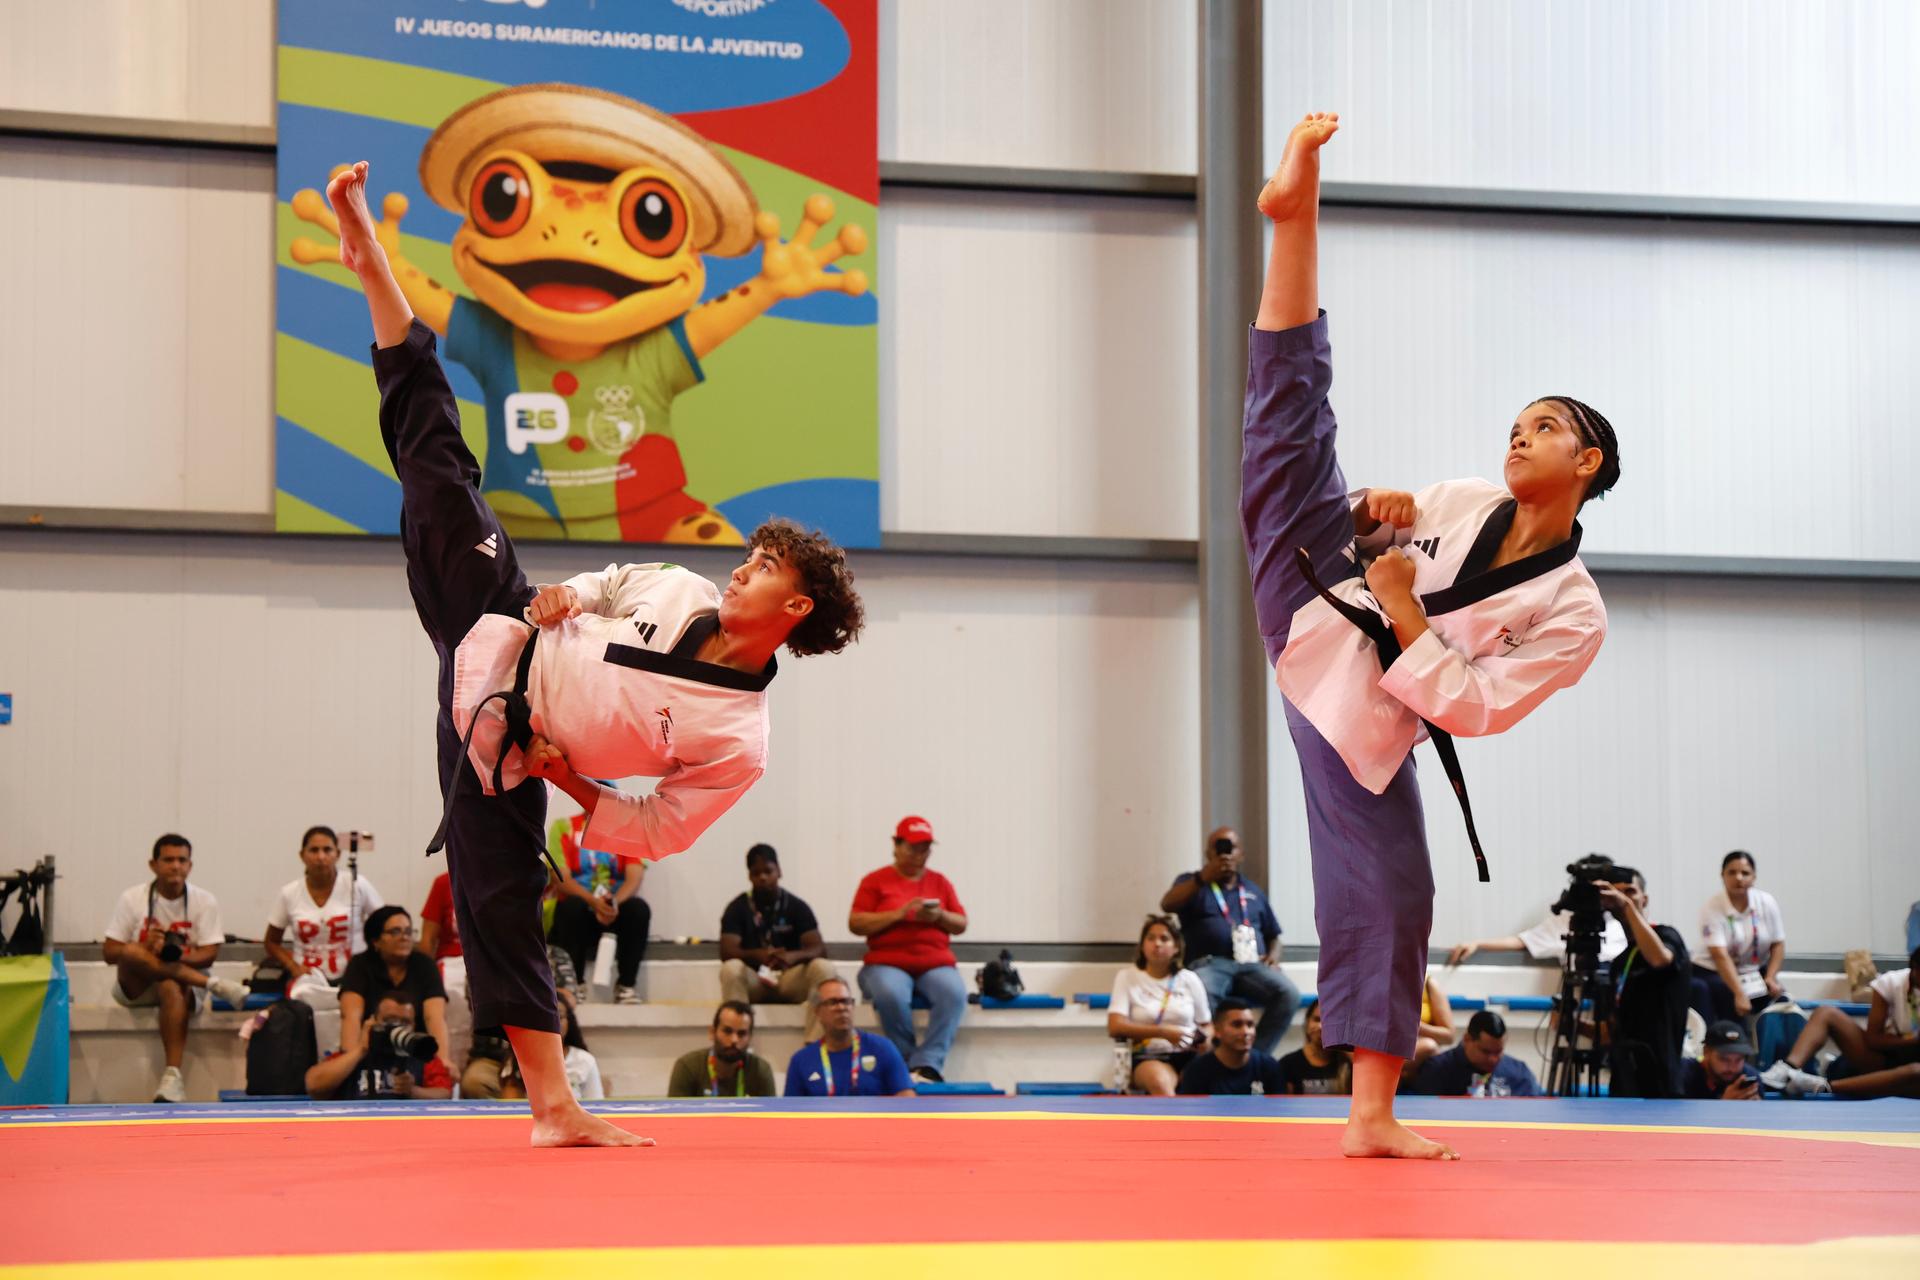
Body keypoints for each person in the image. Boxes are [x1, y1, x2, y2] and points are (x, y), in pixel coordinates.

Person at [320, 161, 863, 1147]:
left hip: (511, 745)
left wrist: (567, 775)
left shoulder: (737, 737)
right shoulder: (687, 589)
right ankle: (370, 264)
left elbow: (653, 830)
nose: (741, 573)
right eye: (749, 557)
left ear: (797, 608)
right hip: (503, 620)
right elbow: (617, 582)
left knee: (501, 902)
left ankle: (553, 1107)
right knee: (440, 458)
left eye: (764, 570)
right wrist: (573, 593)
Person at [1242, 114, 1617, 1157]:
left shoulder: (1574, 612)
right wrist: (1373, 512)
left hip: (1363, 699)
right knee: (1291, 413)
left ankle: (1369, 1114)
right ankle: (1293, 212)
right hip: (1313, 587)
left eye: (1544, 426)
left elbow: (1480, 707)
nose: (1519, 434)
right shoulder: (1463, 494)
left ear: (1586, 461)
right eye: (1517, 422)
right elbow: (1372, 529)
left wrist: (1406, 606)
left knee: (1398, 886)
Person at [101, 834, 250, 1103]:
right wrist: (147, 947)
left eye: (182, 860)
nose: (176, 866)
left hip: (180, 987)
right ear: (153, 864)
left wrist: (177, 955)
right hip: (136, 985)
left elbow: (209, 954)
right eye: (168, 859)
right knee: (132, 950)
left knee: (169, 984)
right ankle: (213, 985)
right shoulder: (133, 898)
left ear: (190, 866)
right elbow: (110, 952)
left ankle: (172, 1077)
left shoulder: (204, 901)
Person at [849, 816, 969, 1084]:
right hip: (886, 961)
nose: (920, 854)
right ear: (896, 845)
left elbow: (961, 923)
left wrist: (939, 916)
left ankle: (927, 1064)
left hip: (934, 963)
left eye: (925, 848)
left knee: (954, 994)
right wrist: (900, 914)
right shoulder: (875, 881)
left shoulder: (940, 882)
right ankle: (904, 1062)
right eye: (913, 847)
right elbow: (856, 923)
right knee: (890, 993)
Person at [1160, 828, 1299, 1055]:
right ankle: (1210, 1062)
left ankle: (1254, 1059)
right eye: (1218, 847)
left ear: (1240, 854)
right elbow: (1167, 905)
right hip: (1209, 964)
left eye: (1230, 847)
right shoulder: (1192, 882)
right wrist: (1202, 878)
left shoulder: (1253, 890)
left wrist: (1273, 956)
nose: (1225, 854)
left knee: (1289, 994)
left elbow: (1274, 936)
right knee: (1199, 993)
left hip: (1252, 966)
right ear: (1208, 854)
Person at [1760, 946, 1920, 1099]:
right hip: (1886, 1058)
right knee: (1826, 1013)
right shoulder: (1891, 983)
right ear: (1914, 969)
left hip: (1913, 1072)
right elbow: (1873, 1039)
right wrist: (1911, 1041)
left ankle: (1824, 1086)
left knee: (1915, 1071)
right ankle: (1788, 1070)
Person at [718, 844, 836, 1039]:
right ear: (749, 876)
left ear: (779, 871)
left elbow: (818, 948)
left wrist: (792, 956)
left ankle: (816, 1045)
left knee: (823, 967)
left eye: (768, 871)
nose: (763, 877)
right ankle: (739, 1043)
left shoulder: (797, 906)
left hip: (790, 980)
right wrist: (758, 955)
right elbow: (727, 951)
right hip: (755, 982)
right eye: (756, 873)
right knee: (731, 968)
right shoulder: (737, 908)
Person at [1596, 868, 1693, 1099]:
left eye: (1630, 892)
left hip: (1660, 1078)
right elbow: (1612, 1032)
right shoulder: (1620, 961)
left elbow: (1659, 959)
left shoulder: (1667, 936)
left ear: (1645, 899)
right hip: (1625, 1078)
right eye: (1616, 893)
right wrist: (1572, 1024)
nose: (1623, 898)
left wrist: (1627, 907)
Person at [263, 826, 383, 1010]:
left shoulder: (357, 884)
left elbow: (384, 924)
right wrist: (292, 966)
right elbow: (271, 942)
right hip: (307, 980)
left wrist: (372, 963)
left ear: (338, 854)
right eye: (314, 850)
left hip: (355, 975)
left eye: (327, 850)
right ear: (302, 855)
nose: (320, 857)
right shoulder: (289, 893)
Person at [336, 906, 456, 1086]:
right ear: (375, 940)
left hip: (414, 1050)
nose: (404, 937)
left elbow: (435, 1017)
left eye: (408, 931)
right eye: (395, 931)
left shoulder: (425, 965)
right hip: (371, 1050)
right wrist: (351, 1058)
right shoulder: (359, 965)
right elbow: (351, 1016)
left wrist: (442, 1060)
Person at [547, 812, 650, 1005]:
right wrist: (594, 903)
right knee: (572, 907)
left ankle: (626, 987)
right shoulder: (564, 826)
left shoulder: (629, 830)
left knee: (638, 909)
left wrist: (612, 905)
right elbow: (561, 879)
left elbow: (635, 876)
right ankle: (575, 985)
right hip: (580, 911)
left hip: (614, 910)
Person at [1106, 915, 1212, 1096]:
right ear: (1142, 945)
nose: (1157, 944)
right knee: (1159, 1081)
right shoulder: (1127, 977)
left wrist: (1205, 1040)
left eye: (1164, 939)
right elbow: (1115, 1026)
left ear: (1176, 947)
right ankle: (1174, 1124)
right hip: (1148, 1055)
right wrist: (1163, 1031)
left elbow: (1206, 1024)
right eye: (1151, 938)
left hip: (1189, 1055)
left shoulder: (1189, 979)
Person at [1693, 850, 1788, 1025]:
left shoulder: (1766, 902)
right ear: (1722, 876)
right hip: (1712, 970)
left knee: (1779, 996)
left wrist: (1771, 977)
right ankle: (1735, 1049)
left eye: (1745, 873)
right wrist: (1739, 993)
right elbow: (1720, 955)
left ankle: (1770, 1049)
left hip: (1751, 970)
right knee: (1730, 996)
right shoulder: (1712, 907)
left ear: (1754, 877)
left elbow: (1778, 944)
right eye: (1732, 872)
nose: (1739, 878)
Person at [305, 989, 454, 1100]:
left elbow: (445, 1093)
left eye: (405, 1022)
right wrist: (360, 1050)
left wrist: (414, 1091)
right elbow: (313, 1084)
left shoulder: (421, 1054)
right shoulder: (353, 1056)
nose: (397, 1027)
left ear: (414, 1026)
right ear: (373, 1021)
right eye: (390, 1020)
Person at [783, 978, 914, 1097]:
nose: (841, 1008)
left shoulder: (882, 1048)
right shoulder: (801, 1060)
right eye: (833, 1002)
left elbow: (906, 1098)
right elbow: (789, 1113)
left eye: (846, 1001)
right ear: (817, 1011)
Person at [1409, 1011, 1541, 1098]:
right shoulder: (1437, 1070)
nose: (1493, 1059)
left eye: (1498, 1052)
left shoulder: (1519, 1073)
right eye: (1486, 1051)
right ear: (1467, 1039)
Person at [1446, 906, 1627, 969]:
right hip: (1583, 996)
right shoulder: (1563, 923)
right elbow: (1521, 941)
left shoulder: (1623, 924)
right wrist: (1477, 943)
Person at [1177, 999, 1288, 1096]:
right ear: (1217, 1030)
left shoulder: (1269, 1066)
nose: (1246, 1032)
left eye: (1250, 1025)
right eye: (1237, 1025)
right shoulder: (1197, 1070)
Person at [668, 1001, 777, 1098]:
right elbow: (674, 1117)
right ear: (712, 1032)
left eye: (741, 1034)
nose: (734, 1040)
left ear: (750, 1037)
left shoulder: (760, 1070)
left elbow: (771, 1118)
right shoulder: (688, 1067)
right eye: (727, 1031)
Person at [1277, 1001, 1352, 1095]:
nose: (1321, 1026)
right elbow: (1283, 1106)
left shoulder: (1349, 1062)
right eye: (1316, 1019)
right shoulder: (1287, 1064)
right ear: (1307, 1023)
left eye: (1328, 1021)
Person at [1680, 1021, 1763, 1100]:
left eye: (1739, 1059)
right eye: (1724, 1059)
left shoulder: (1750, 1077)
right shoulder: (1683, 1074)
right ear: (1706, 1052)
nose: (1732, 1068)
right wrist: (1724, 1105)